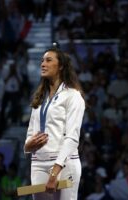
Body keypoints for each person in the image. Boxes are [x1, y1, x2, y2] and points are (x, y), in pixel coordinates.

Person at [24, 47, 85, 199]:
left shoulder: (73, 96)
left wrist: (54, 171)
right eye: (42, 61)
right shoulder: (39, 98)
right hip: (38, 163)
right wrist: (27, 146)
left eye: (49, 60)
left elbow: (72, 138)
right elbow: (30, 133)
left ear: (61, 66)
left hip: (64, 165)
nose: (43, 64)